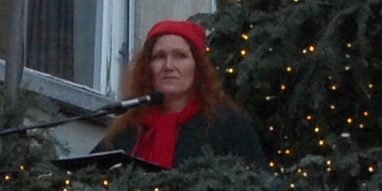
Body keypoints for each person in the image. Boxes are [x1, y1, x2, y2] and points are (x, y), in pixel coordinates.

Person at [94, 19, 263, 169]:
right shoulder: (128, 129)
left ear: (198, 67)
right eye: (159, 57)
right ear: (147, 68)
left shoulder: (226, 124)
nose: (168, 66)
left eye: (180, 56)